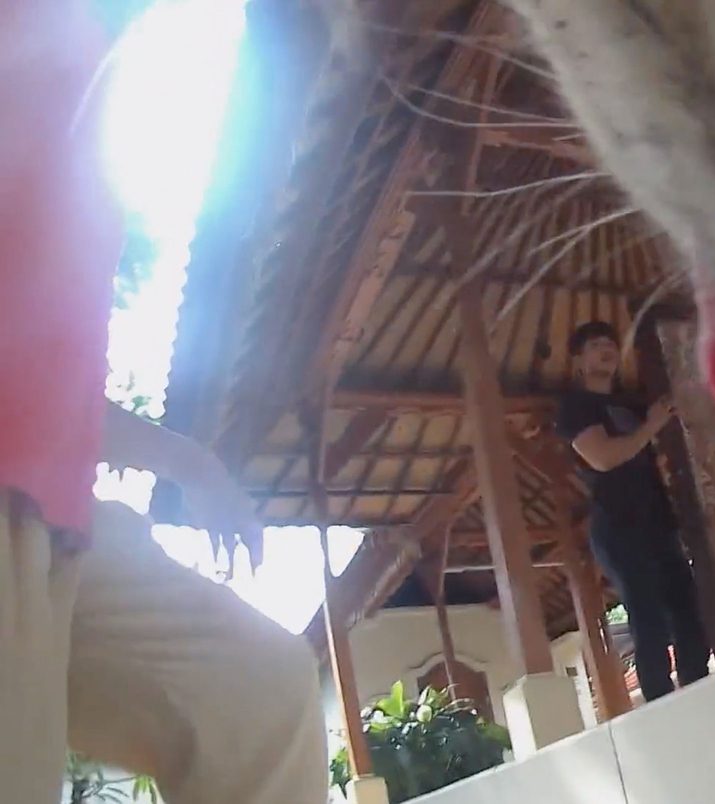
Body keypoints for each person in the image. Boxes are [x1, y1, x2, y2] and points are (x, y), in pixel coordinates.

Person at [0, 3, 328, 802]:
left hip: (60, 508)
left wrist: (188, 459)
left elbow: (46, 383)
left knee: (259, 700)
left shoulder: (94, 60)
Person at [556, 321, 712, 701]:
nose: (606, 350)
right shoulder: (575, 407)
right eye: (595, 345)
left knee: (691, 614)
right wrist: (650, 426)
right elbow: (604, 457)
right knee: (648, 620)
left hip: (658, 522)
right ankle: (659, 704)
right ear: (578, 359)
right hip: (618, 527)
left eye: (611, 344)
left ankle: (701, 694)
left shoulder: (631, 403)